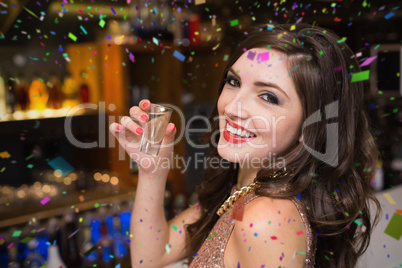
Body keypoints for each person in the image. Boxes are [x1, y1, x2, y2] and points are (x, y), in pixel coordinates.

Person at [109, 23, 381, 268]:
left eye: (268, 97)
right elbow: (150, 257)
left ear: (310, 127)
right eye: (234, 81)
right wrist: (153, 172)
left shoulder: (264, 219)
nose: (233, 107)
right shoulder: (243, 187)